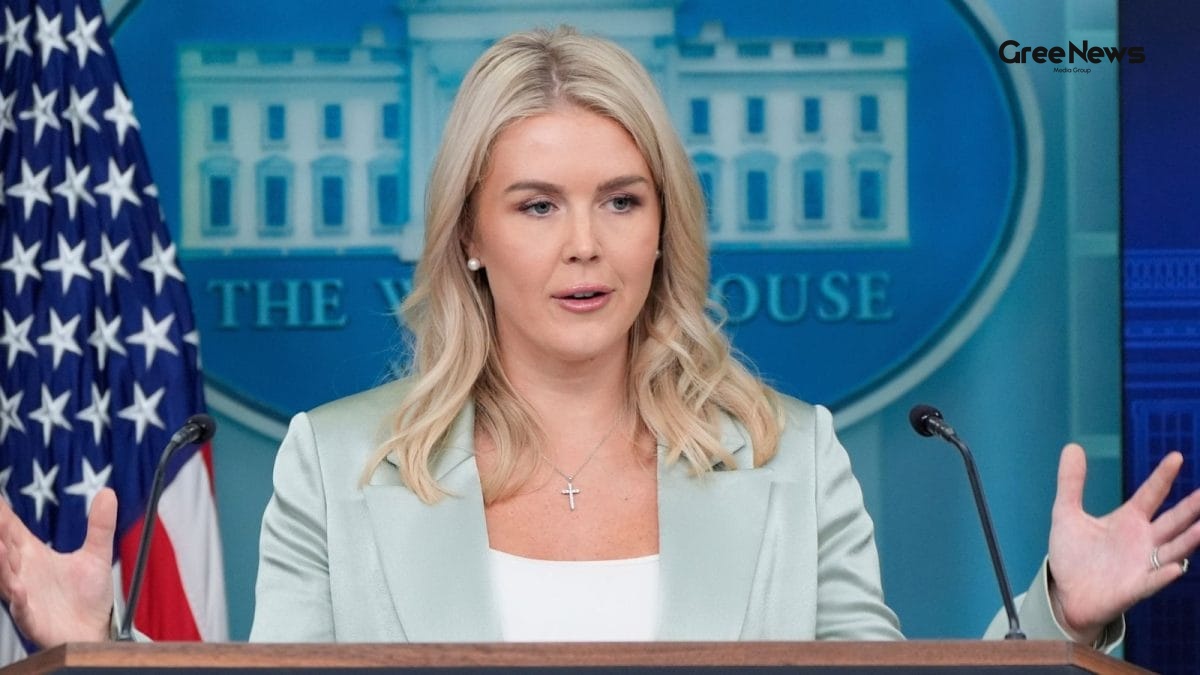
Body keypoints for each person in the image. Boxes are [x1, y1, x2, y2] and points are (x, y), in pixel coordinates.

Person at [2, 25, 1199, 649]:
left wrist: (1060, 611)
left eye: (622, 201)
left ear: (662, 221)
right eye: (537, 205)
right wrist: (95, 647)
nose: (587, 245)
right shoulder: (338, 462)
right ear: (470, 232)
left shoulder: (788, 452)